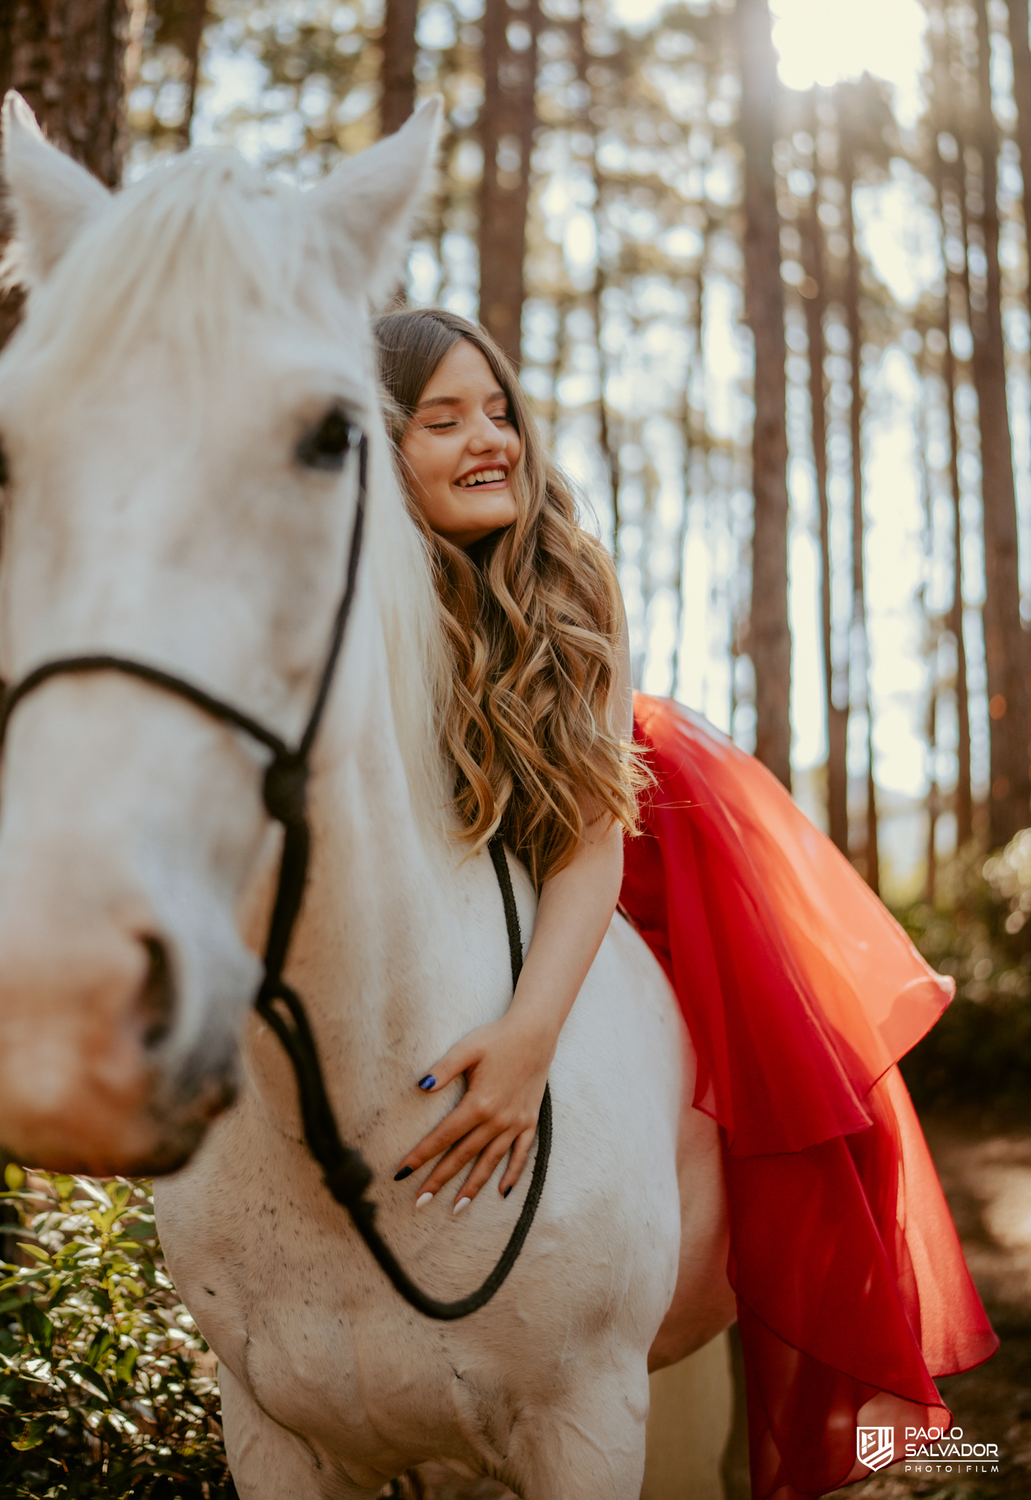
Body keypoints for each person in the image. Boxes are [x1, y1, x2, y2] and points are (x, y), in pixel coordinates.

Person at [372, 306, 997, 1500]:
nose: (488, 438)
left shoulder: (567, 573)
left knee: (767, 1108)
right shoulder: (357, 596)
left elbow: (586, 856)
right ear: (378, 448)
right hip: (454, 879)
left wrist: (528, 1044)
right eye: (442, 420)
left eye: (498, 410)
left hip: (627, 853)